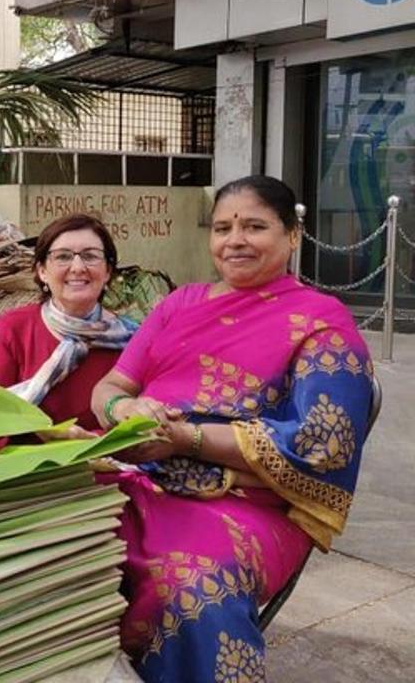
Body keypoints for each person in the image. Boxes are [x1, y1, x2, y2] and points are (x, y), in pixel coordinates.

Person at [89, 175, 373, 683]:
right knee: (58, 544)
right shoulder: (180, 304)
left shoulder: (319, 323)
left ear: (292, 236)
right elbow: (110, 386)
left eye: (254, 226)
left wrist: (188, 439)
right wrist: (126, 412)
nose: (234, 240)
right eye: (222, 227)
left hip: (246, 502)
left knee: (187, 587)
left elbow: (323, 443)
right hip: (142, 477)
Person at [0, 213, 134, 448]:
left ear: (108, 272)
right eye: (63, 257)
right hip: (25, 467)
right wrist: (45, 435)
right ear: (42, 271)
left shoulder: (133, 340)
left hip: (108, 463)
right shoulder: (14, 328)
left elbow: (140, 425)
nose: (78, 267)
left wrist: (89, 443)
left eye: (90, 256)